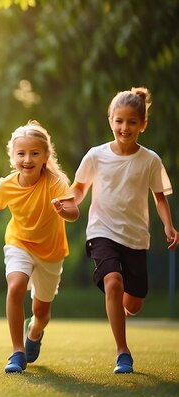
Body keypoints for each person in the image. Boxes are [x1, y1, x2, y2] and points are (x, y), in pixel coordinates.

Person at [0, 120, 79, 373]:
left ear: (45, 156)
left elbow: (74, 211)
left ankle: (34, 331)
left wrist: (65, 210)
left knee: (41, 312)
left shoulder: (55, 183)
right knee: (16, 285)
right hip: (19, 243)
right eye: (21, 153)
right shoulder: (7, 184)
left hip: (51, 252)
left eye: (34, 153)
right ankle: (17, 352)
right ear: (12, 156)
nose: (27, 159)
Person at [71, 87, 178, 374]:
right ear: (110, 120)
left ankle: (117, 310)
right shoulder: (96, 155)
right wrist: (68, 203)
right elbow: (80, 188)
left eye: (132, 122)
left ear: (143, 124)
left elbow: (159, 196)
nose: (124, 127)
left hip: (135, 237)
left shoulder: (150, 160)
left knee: (134, 303)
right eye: (119, 121)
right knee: (113, 282)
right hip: (101, 231)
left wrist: (168, 225)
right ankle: (123, 352)